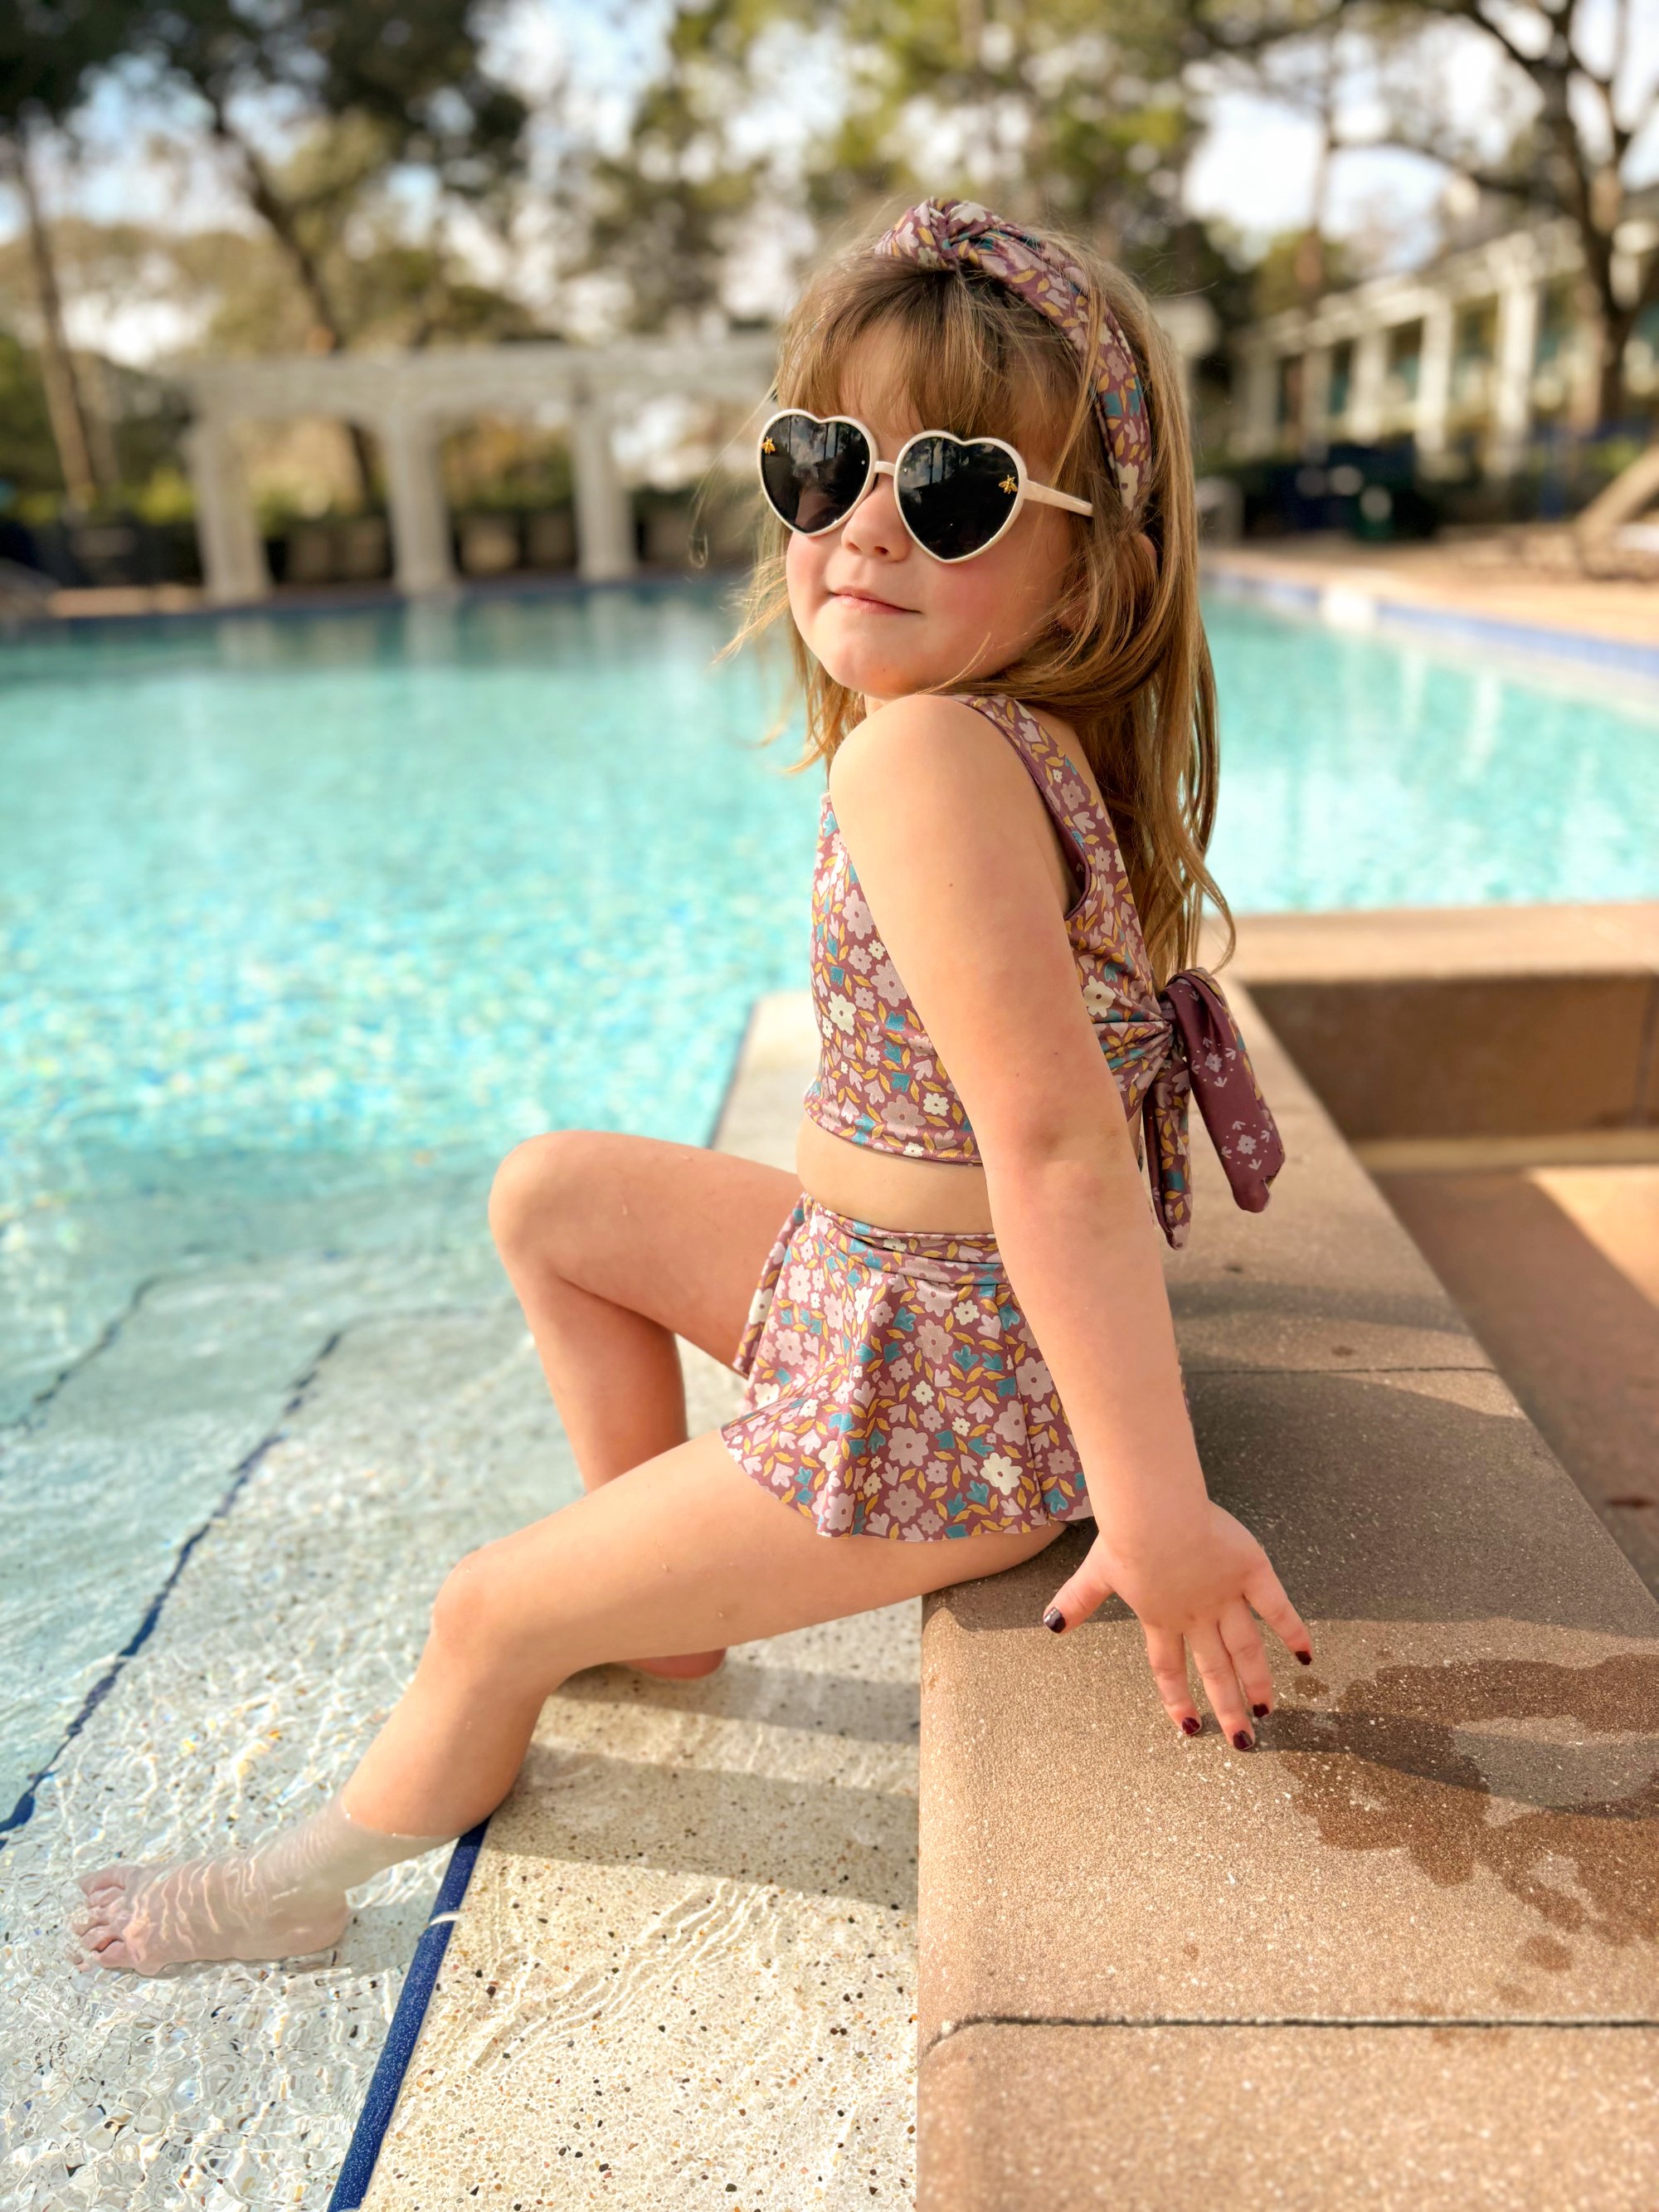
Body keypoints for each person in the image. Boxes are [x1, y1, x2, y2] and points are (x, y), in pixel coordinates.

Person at [72, 197, 1311, 1976]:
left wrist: (1153, 1512)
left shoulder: (925, 758)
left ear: (1092, 564)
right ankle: (661, 1601)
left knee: (484, 1612)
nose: (863, 524)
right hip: (884, 1294)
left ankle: (292, 1885)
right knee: (554, 1193)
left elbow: (1057, 1152)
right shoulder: (1014, 735)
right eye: (825, 463)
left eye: (951, 490)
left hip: (951, 1399)